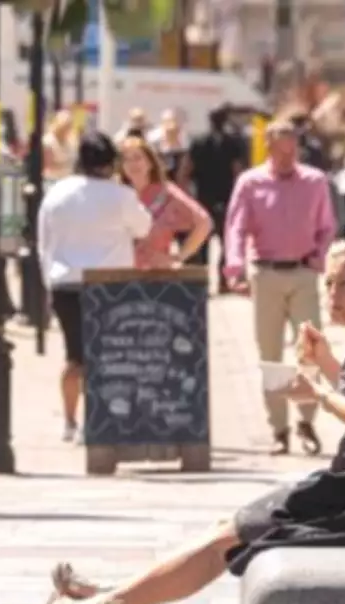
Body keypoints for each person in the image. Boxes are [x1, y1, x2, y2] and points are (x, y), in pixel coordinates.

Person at [44, 238, 345, 604]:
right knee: (229, 528)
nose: (332, 295)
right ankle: (117, 597)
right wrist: (326, 362)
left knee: (226, 538)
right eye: (328, 283)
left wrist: (319, 393)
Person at [224, 120, 337, 456]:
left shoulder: (314, 181)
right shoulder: (251, 182)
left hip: (303, 272)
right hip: (266, 274)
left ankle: (306, 420)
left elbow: (327, 225)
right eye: (280, 150)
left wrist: (319, 258)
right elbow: (236, 228)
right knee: (271, 355)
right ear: (269, 147)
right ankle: (278, 428)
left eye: (292, 150)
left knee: (309, 350)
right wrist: (235, 267)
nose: (287, 157)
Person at [38, 131, 153, 443]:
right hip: (110, 284)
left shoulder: (58, 193)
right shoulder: (120, 196)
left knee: (74, 356)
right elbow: (144, 228)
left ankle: (69, 422)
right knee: (106, 356)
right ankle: (99, 420)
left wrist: (48, 281)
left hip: (65, 283)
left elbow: (43, 241)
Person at [117, 136, 212, 271]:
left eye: (137, 158)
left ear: (150, 162)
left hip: (155, 274)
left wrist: (179, 257)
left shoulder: (166, 194)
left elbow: (204, 222)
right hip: (119, 273)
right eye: (126, 159)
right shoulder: (116, 194)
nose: (132, 164)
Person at [187, 106, 247, 286]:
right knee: (226, 239)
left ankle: (200, 280)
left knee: (201, 240)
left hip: (202, 197)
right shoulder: (233, 142)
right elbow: (237, 170)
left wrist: (187, 195)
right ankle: (223, 280)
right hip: (226, 196)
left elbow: (186, 169)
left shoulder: (199, 142)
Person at [42, 110, 78, 184]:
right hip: (53, 181)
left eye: (69, 126)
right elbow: (46, 166)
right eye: (65, 126)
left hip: (69, 180)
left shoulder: (71, 140)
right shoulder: (49, 141)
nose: (67, 129)